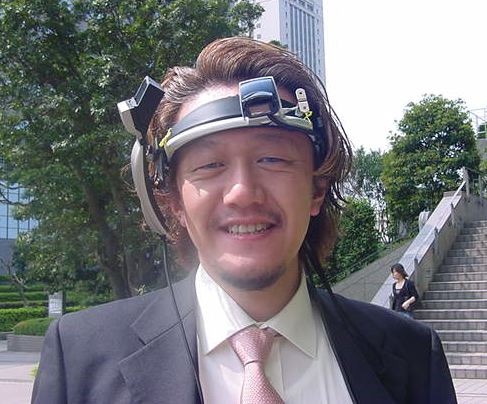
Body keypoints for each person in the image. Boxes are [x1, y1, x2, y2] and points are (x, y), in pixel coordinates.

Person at [32, 37, 456, 404]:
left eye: (272, 159)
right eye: (209, 165)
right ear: (172, 201)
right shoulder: (80, 357)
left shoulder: (413, 356)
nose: (242, 192)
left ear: (316, 189)